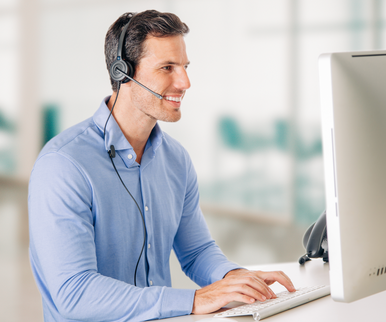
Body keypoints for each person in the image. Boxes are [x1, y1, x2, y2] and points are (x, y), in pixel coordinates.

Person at [28, 10, 295, 322]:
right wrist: (194, 299)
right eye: (167, 67)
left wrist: (237, 279)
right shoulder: (63, 165)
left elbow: (196, 252)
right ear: (122, 72)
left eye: (184, 67)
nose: (184, 82)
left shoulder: (175, 159)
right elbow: (75, 294)